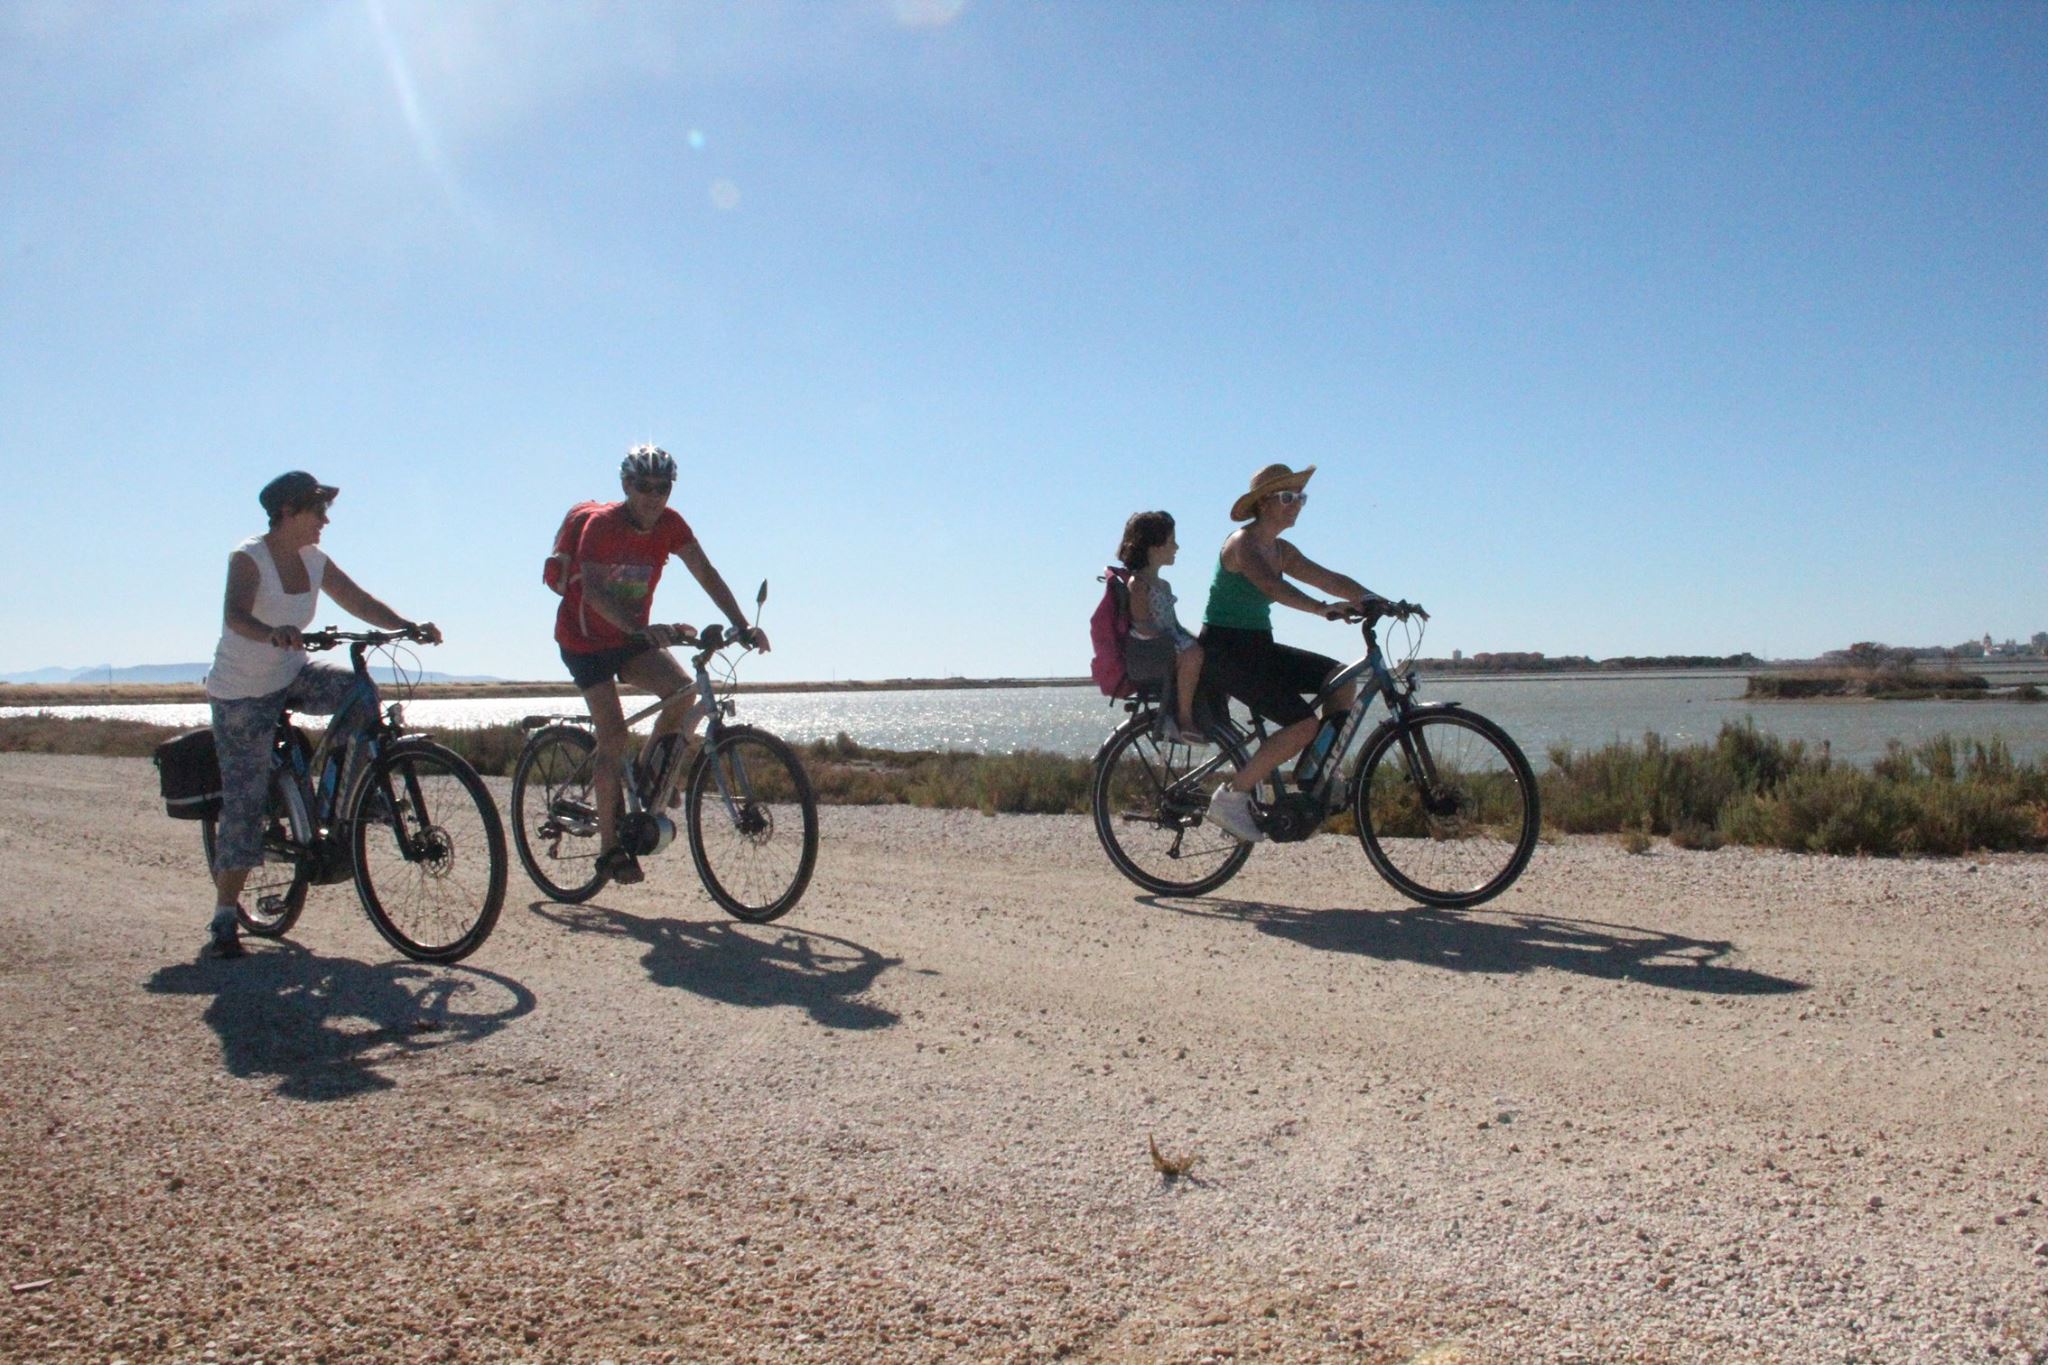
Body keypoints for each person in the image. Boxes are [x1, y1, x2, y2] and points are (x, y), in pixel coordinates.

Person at [204, 471, 441, 959]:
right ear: (287, 512)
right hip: (242, 693)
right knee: (245, 800)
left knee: (360, 692)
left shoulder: (314, 560)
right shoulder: (249, 557)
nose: (325, 521)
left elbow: (358, 601)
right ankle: (225, 914)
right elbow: (235, 616)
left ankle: (353, 798)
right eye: (317, 511)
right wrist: (271, 633)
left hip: (292, 674)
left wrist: (405, 626)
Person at [549, 444, 770, 886]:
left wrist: (742, 625)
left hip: (630, 639)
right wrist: (643, 628)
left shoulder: (670, 525)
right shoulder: (600, 525)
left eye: (662, 487)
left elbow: (705, 572)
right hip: (585, 641)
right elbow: (592, 592)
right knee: (613, 736)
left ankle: (648, 783)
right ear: (626, 486)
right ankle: (609, 849)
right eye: (643, 486)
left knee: (683, 691)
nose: (653, 496)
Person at [1198, 463, 1388, 844]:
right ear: (1263, 503)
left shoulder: (1281, 549)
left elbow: (1328, 577)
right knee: (1302, 724)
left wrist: (1375, 599)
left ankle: (1314, 775)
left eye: (1300, 498)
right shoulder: (1242, 544)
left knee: (1340, 680)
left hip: (1258, 647)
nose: (1296, 505)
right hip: (1224, 652)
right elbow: (1271, 588)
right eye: (1288, 497)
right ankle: (1231, 795)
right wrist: (1322, 609)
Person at [1117, 511, 1208, 745]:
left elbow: (1175, 624)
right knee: (1193, 655)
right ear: (1153, 547)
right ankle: (1184, 718)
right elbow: (1142, 624)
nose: (1176, 547)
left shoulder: (1164, 585)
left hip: (1167, 644)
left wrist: (1197, 640)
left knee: (1212, 653)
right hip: (1150, 650)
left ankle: (1207, 714)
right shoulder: (1139, 584)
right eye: (1171, 541)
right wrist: (1177, 643)